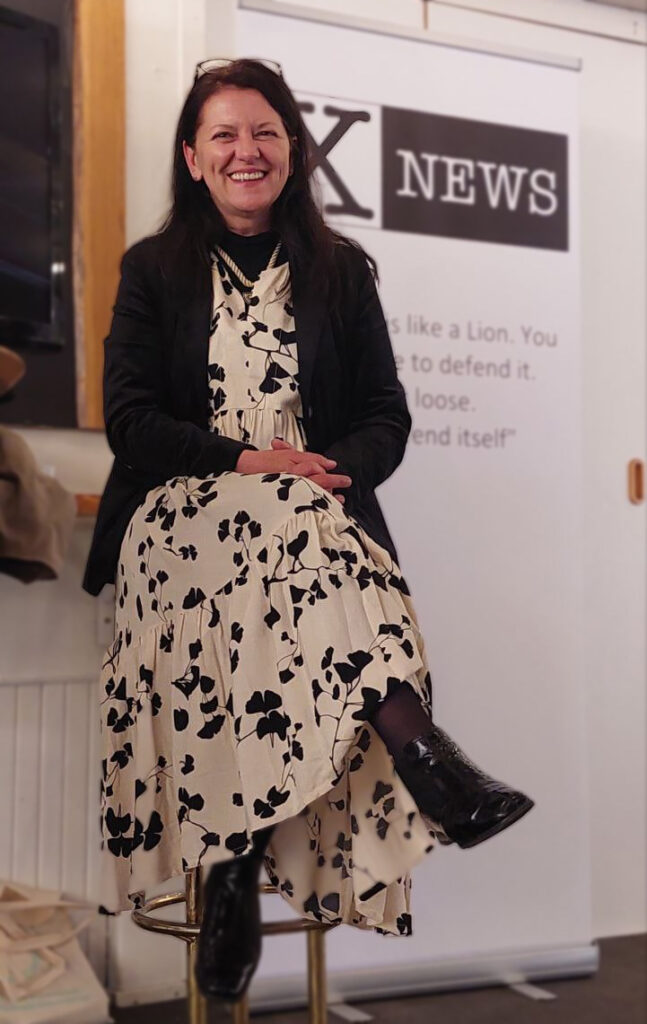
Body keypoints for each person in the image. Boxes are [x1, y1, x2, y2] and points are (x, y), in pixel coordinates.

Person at [83, 58, 534, 1003]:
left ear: (292, 149)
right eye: (224, 135)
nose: (245, 150)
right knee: (298, 525)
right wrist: (254, 464)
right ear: (193, 157)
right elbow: (130, 419)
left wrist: (330, 469)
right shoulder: (153, 270)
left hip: (306, 525)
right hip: (180, 522)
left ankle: (235, 864)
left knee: (300, 529)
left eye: (265, 132)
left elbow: (384, 415)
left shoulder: (340, 272)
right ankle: (425, 757)